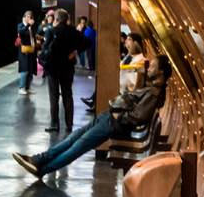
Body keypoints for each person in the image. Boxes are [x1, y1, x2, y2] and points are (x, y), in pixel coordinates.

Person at [13, 56, 169, 179]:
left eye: (153, 66)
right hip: (109, 117)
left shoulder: (154, 94)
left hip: (113, 123)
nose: (149, 67)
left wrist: (118, 116)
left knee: (77, 147)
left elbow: (139, 116)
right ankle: (38, 159)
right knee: (73, 138)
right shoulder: (150, 88)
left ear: (161, 71)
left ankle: (43, 169)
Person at [39, 8, 85, 133]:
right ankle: (69, 125)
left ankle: (54, 124)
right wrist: (75, 52)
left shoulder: (51, 31)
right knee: (67, 95)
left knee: (54, 97)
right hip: (67, 68)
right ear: (67, 19)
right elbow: (86, 42)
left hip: (53, 69)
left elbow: (45, 49)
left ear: (57, 19)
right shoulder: (73, 31)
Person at [14, 10, 38, 95]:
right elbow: (21, 32)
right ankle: (21, 87)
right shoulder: (20, 25)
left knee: (31, 69)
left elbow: (33, 37)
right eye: (27, 16)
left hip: (31, 50)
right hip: (23, 51)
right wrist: (28, 25)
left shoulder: (32, 27)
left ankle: (28, 87)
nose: (29, 18)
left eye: (31, 16)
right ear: (24, 17)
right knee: (24, 70)